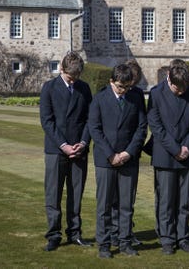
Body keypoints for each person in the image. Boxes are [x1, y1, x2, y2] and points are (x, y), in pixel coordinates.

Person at [88, 63, 148, 259]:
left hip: (128, 160)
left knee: (126, 205)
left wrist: (128, 153)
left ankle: (125, 242)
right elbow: (95, 129)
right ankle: (104, 244)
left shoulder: (135, 99)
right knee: (104, 205)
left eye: (127, 87)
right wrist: (111, 154)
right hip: (105, 160)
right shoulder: (99, 99)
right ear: (111, 81)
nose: (123, 91)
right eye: (120, 87)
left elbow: (141, 129)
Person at [147, 60, 189, 255]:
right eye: (176, 88)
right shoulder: (155, 94)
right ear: (168, 78)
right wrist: (175, 148)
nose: (180, 92)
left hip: (188, 152)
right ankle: (167, 238)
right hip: (165, 153)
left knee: (184, 200)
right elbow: (156, 125)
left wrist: (187, 145)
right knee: (166, 200)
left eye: (183, 88)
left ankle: (183, 236)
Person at [39, 51, 93, 251]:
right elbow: (47, 121)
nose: (74, 80)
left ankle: (75, 233)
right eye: (71, 77)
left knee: (76, 193)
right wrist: (64, 145)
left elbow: (90, 119)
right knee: (53, 194)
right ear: (62, 69)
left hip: (79, 149)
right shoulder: (49, 88)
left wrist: (84, 142)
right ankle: (54, 235)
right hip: (56, 149)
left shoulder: (84, 88)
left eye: (77, 76)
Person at [109, 60, 145, 248]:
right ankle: (114, 232)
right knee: (113, 197)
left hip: (131, 153)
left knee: (127, 198)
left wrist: (130, 151)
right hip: (112, 153)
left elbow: (141, 126)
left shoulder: (137, 95)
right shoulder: (107, 94)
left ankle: (126, 232)